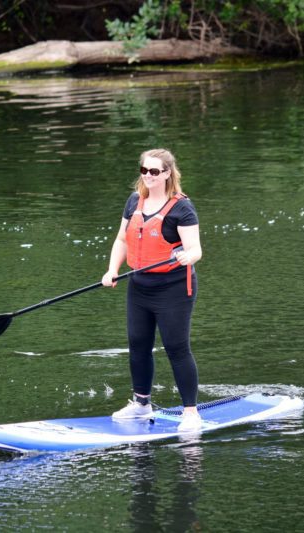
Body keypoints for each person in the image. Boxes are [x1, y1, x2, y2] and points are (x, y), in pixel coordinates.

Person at [101, 148, 203, 432]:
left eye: (154, 172)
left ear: (168, 173)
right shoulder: (134, 201)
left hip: (173, 288)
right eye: (144, 170)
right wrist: (112, 270)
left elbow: (195, 250)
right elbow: (122, 239)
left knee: (176, 347)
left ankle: (191, 413)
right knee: (138, 344)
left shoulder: (182, 208)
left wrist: (187, 256)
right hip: (139, 285)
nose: (148, 176)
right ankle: (141, 404)